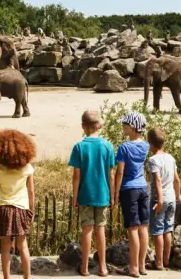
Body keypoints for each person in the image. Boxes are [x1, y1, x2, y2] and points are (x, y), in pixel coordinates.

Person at [68, 111, 116, 277]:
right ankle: (103, 267)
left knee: (86, 230)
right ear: (99, 126)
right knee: (100, 230)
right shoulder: (107, 146)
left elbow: (76, 175)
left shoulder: (79, 147)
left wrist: (75, 196)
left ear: (83, 127)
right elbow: (111, 174)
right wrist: (112, 195)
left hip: (85, 195)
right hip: (103, 194)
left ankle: (85, 267)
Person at [0, 129, 37, 279]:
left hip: (2, 209)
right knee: (23, 246)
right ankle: (27, 276)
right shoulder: (27, 168)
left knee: (5, 247)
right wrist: (31, 211)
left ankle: (7, 277)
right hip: (21, 208)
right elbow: (31, 193)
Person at [114, 111, 150, 278]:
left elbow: (120, 172)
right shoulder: (146, 145)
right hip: (143, 186)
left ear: (133, 128)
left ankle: (133, 267)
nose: (123, 127)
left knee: (132, 228)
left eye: (125, 125)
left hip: (129, 189)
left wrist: (115, 192)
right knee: (144, 227)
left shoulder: (124, 147)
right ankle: (142, 265)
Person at [146, 127, 181, 270]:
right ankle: (166, 260)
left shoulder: (153, 160)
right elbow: (176, 179)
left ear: (150, 144)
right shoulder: (170, 158)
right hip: (172, 198)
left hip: (159, 199)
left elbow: (157, 180)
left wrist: (159, 200)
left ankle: (159, 262)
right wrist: (178, 194)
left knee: (157, 231)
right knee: (168, 229)